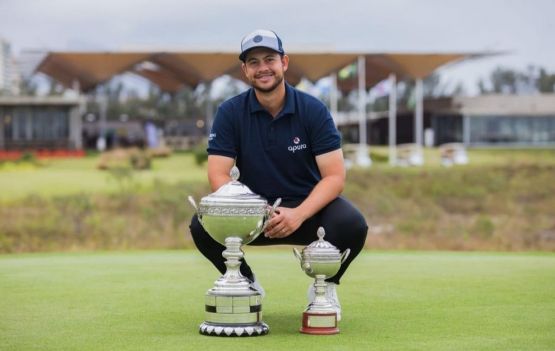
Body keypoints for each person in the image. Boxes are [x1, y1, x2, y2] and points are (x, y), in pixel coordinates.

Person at [189, 29, 368, 321]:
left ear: (284, 62)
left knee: (352, 225)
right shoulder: (230, 112)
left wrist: (298, 214)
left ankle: (326, 287)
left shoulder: (313, 110)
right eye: (254, 62)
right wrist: (257, 212)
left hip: (307, 210)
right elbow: (218, 175)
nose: (263, 68)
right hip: (253, 214)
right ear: (245, 70)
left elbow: (335, 177)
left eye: (269, 59)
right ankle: (245, 281)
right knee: (201, 224)